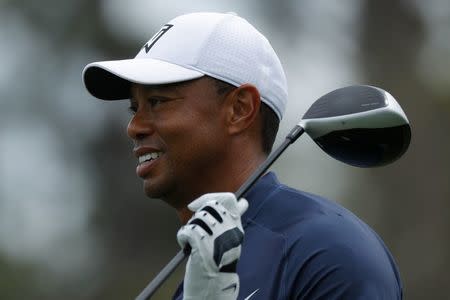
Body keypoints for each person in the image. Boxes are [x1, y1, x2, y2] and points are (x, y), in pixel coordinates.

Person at [83, 12, 403, 300]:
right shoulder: (196, 279)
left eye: (157, 102)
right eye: (134, 108)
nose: (134, 127)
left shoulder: (328, 251)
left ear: (240, 109)